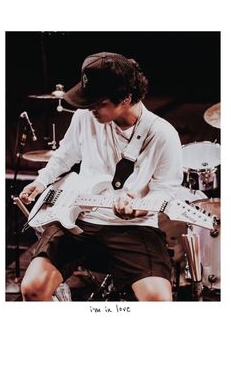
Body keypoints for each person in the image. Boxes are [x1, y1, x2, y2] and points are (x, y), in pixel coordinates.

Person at [19, 51, 183, 301]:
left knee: (159, 301)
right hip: (78, 218)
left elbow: (166, 191)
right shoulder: (85, 117)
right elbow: (65, 154)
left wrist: (139, 207)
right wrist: (41, 181)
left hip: (133, 228)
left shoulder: (162, 134)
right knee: (32, 289)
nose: (89, 109)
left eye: (98, 103)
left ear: (126, 98)